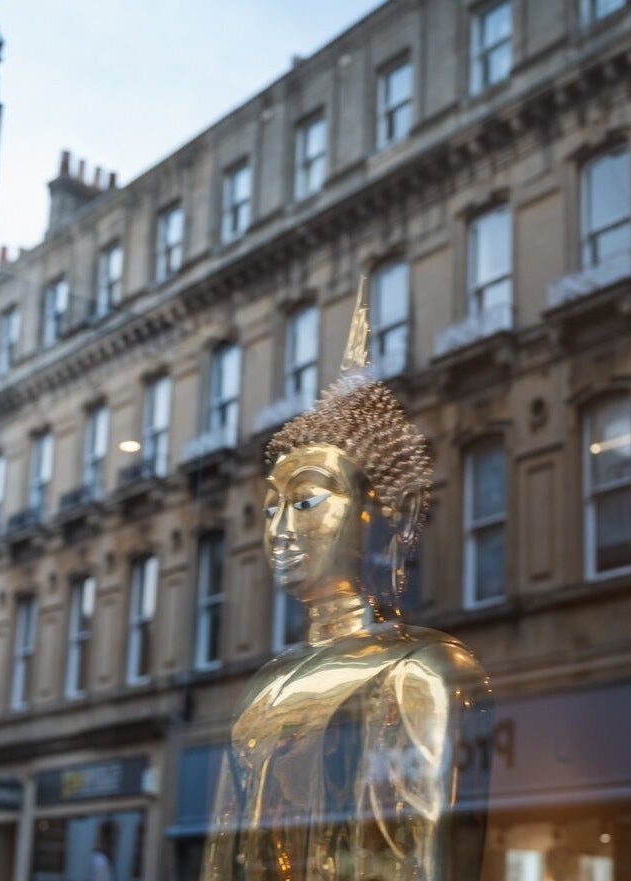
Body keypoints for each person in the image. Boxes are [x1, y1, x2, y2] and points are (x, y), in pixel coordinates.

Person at [201, 279, 493, 881]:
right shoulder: (265, 686)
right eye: (271, 507)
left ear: (391, 515)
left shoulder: (418, 669)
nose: (280, 528)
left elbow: (409, 861)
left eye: (307, 501)